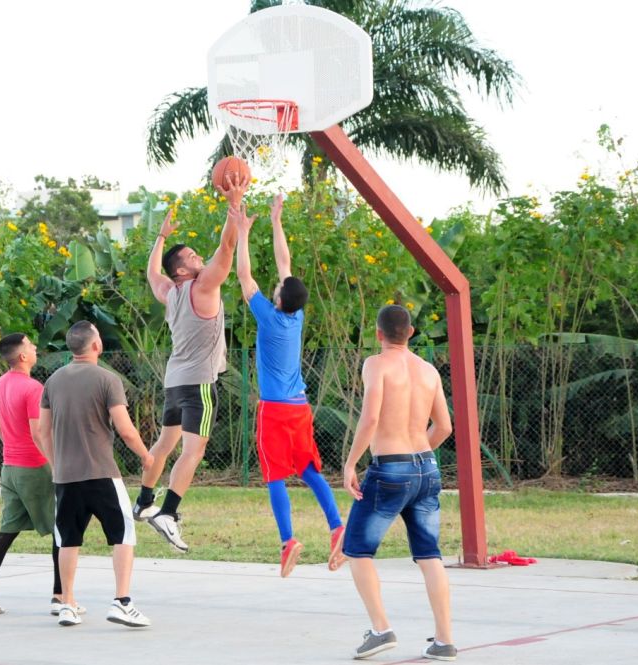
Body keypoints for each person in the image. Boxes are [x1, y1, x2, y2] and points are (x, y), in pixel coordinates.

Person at [132, 174, 248, 552]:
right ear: (182, 270)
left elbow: (152, 272)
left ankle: (144, 501)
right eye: (193, 258)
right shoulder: (202, 287)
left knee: (166, 442)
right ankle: (168, 512)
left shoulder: (170, 291)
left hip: (174, 381)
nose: (200, 258)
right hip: (199, 382)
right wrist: (235, 205)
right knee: (193, 450)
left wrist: (161, 237)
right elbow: (227, 250)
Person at [335, 306, 456, 661]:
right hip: (427, 469)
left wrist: (350, 463)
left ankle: (381, 629)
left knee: (356, 549)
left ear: (378, 334)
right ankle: (444, 640)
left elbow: (371, 416)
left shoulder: (376, 364)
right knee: (429, 554)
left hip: (389, 468)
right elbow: (444, 427)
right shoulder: (429, 370)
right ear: (412, 332)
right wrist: (418, 459)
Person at [234, 193, 344, 577]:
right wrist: (276, 221)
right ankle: (337, 527)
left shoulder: (269, 316)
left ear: (279, 299)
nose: (276, 287)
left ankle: (288, 540)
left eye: (278, 289)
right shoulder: (295, 316)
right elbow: (286, 265)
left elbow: (244, 277)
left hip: (276, 409)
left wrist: (243, 232)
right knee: (310, 469)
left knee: (275, 474)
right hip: (300, 407)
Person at [38, 321, 155, 628]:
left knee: (68, 540)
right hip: (101, 472)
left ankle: (66, 604)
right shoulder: (108, 379)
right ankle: (122, 601)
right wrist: (146, 455)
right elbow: (125, 429)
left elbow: (42, 430)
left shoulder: (52, 381)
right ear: (95, 346)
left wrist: (55, 462)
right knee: (124, 533)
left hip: (65, 477)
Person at [0, 333, 74, 617]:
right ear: (23, 356)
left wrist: (15, 452)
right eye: (30, 344)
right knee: (61, 529)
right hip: (34, 467)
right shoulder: (33, 388)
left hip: (10, 468)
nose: (35, 347)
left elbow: (0, 429)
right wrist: (54, 463)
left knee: (7, 530)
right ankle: (60, 597)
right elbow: (38, 431)